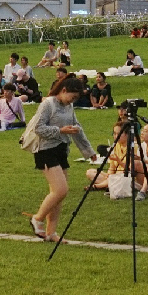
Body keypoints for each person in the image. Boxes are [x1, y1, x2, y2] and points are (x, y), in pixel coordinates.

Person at [27, 76, 93, 242]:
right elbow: (38, 128)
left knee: (58, 194)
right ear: (64, 90)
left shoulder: (69, 106)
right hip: (45, 150)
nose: (74, 100)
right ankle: (37, 218)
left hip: (61, 150)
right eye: (73, 96)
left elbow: (77, 128)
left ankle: (51, 232)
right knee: (60, 190)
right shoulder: (47, 104)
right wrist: (60, 131)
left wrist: (88, 151)